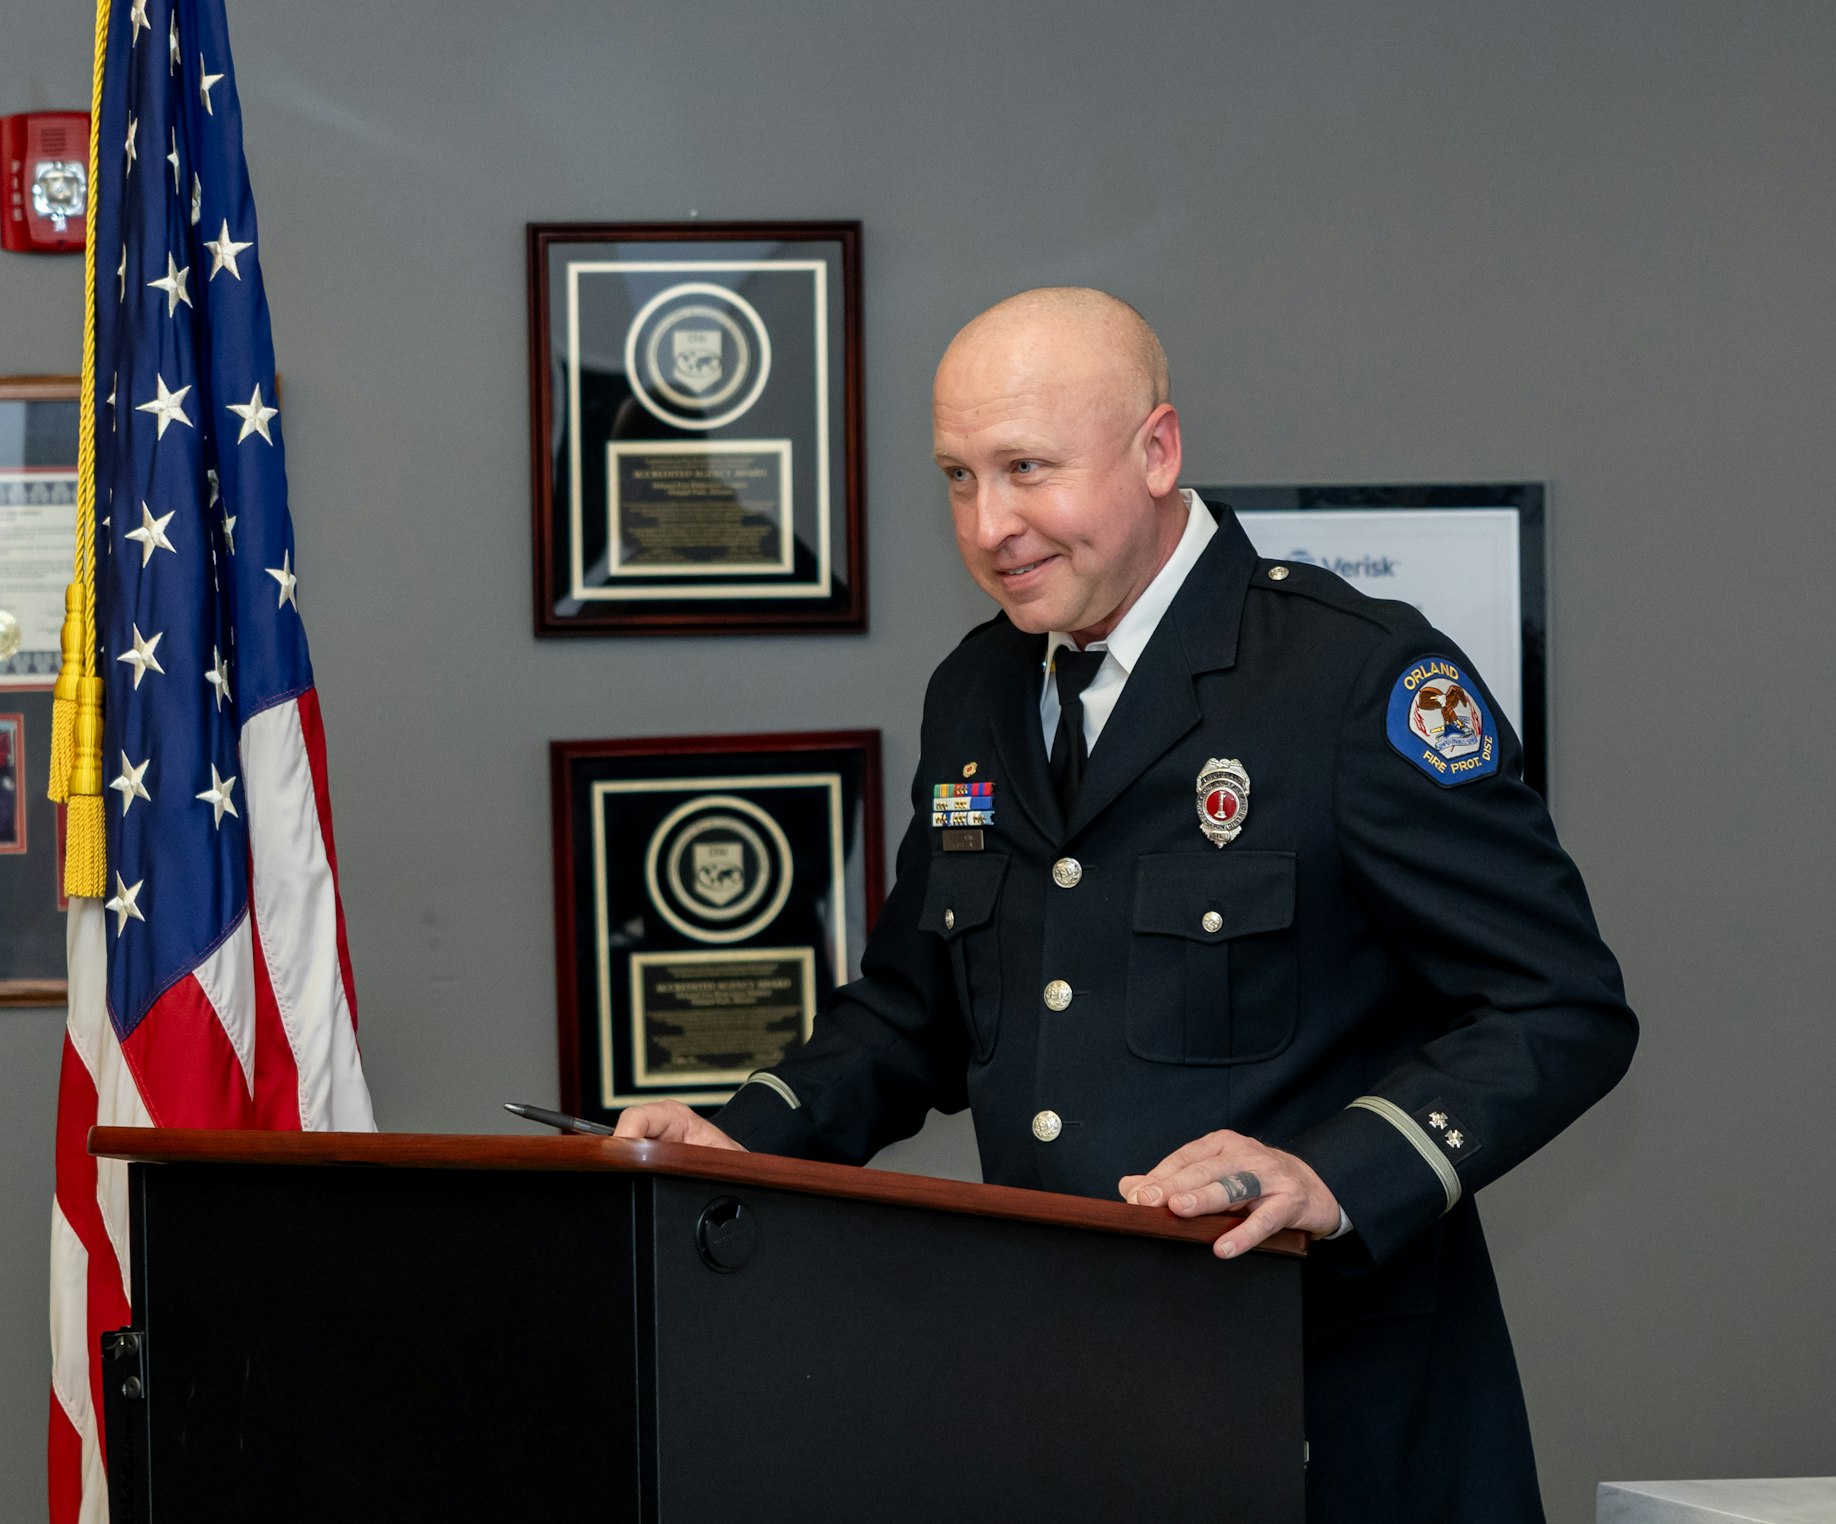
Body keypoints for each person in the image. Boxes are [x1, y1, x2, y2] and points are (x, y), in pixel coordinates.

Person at [616, 286, 1637, 1523]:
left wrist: (1330, 1172)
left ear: (1156, 451)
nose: (989, 525)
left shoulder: (1347, 677)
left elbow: (1560, 1004)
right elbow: (913, 1006)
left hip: (1322, 1405)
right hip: (1063, 1395)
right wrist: (750, 1136)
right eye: (955, 477)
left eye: (1026, 469)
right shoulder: (979, 689)